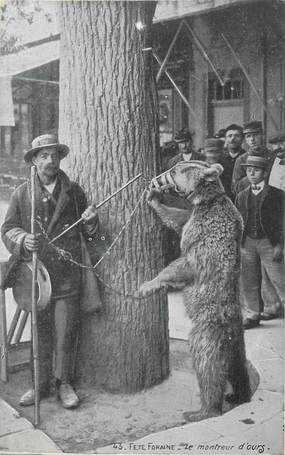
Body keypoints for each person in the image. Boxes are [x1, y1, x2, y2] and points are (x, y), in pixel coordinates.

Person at [1, 134, 100, 409]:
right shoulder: (22, 193)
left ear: (60, 159)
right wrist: (23, 239)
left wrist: (92, 222)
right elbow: (7, 229)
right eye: (43, 155)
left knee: (65, 332)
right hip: (36, 277)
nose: (49, 160)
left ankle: (64, 383)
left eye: (54, 155)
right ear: (33, 160)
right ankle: (38, 385)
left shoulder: (75, 192)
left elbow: (91, 236)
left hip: (68, 275)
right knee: (40, 332)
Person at [235, 156, 284, 329]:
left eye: (256, 170)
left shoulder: (277, 194)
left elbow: (283, 221)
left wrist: (280, 244)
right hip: (247, 242)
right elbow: (238, 221)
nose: (252, 173)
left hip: (268, 242)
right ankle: (252, 314)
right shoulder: (241, 196)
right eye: (249, 170)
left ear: (264, 173)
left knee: (279, 278)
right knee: (248, 280)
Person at [232, 121, 272, 195]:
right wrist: (252, 177)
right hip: (249, 200)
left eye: (255, 135)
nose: (252, 139)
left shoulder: (272, 157)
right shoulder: (241, 160)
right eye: (248, 136)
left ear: (263, 136)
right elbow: (235, 189)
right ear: (245, 140)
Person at [220, 124, 246, 201]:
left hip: (242, 200)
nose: (233, 139)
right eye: (229, 136)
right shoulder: (220, 159)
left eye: (237, 136)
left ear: (242, 139)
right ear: (225, 139)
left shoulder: (246, 158)